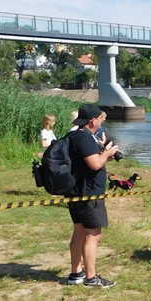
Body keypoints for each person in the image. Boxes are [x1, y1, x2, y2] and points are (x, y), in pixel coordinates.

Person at [64, 104, 119, 288]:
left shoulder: (75, 135)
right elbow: (95, 164)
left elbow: (88, 161)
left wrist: (105, 156)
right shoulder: (85, 138)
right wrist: (107, 153)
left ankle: (76, 273)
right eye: (100, 119)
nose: (101, 121)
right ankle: (91, 277)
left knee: (79, 231)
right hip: (88, 195)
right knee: (93, 235)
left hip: (76, 192)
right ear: (93, 120)